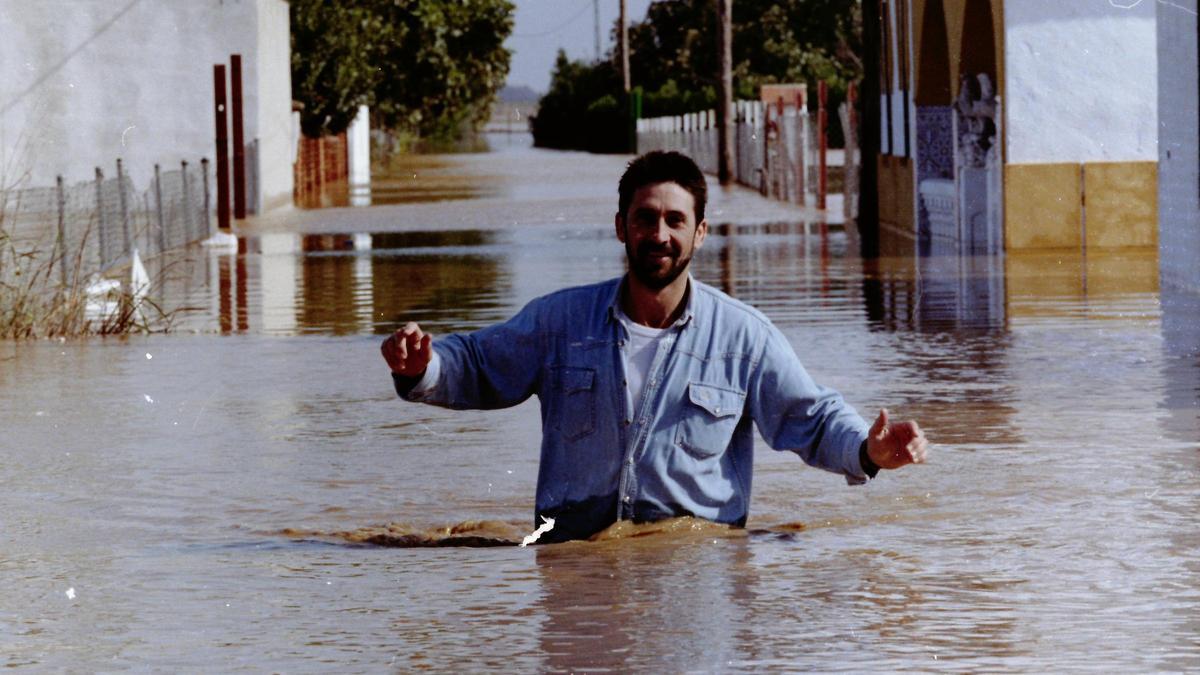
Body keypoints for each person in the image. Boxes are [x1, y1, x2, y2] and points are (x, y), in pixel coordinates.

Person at [382, 151, 928, 543]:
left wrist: (868, 451)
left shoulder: (743, 337)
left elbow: (810, 417)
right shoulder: (560, 321)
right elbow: (477, 363)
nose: (659, 234)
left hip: (698, 564)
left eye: (675, 220)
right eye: (645, 218)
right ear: (621, 227)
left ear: (700, 232)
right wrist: (424, 365)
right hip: (574, 560)